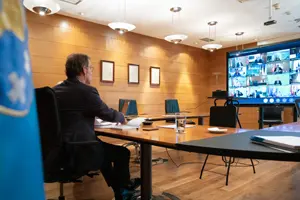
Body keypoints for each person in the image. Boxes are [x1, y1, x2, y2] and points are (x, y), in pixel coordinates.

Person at [53, 54, 140, 200]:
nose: (92, 72)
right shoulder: (87, 91)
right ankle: (124, 190)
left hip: (57, 151)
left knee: (103, 149)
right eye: (91, 69)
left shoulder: (54, 91)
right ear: (84, 70)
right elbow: (107, 114)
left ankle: (120, 189)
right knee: (122, 153)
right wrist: (121, 117)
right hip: (81, 150)